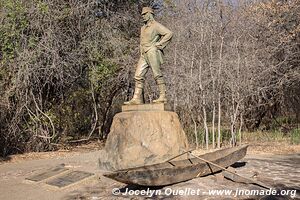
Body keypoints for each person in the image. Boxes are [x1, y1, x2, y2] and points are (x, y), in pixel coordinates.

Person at [124, 7, 173, 105]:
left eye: (145, 14)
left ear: (150, 14)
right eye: (142, 14)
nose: (143, 16)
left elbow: (169, 33)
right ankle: (136, 98)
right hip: (144, 53)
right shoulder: (143, 28)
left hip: (152, 52)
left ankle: (162, 96)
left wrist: (158, 45)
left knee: (157, 73)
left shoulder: (156, 26)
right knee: (138, 75)